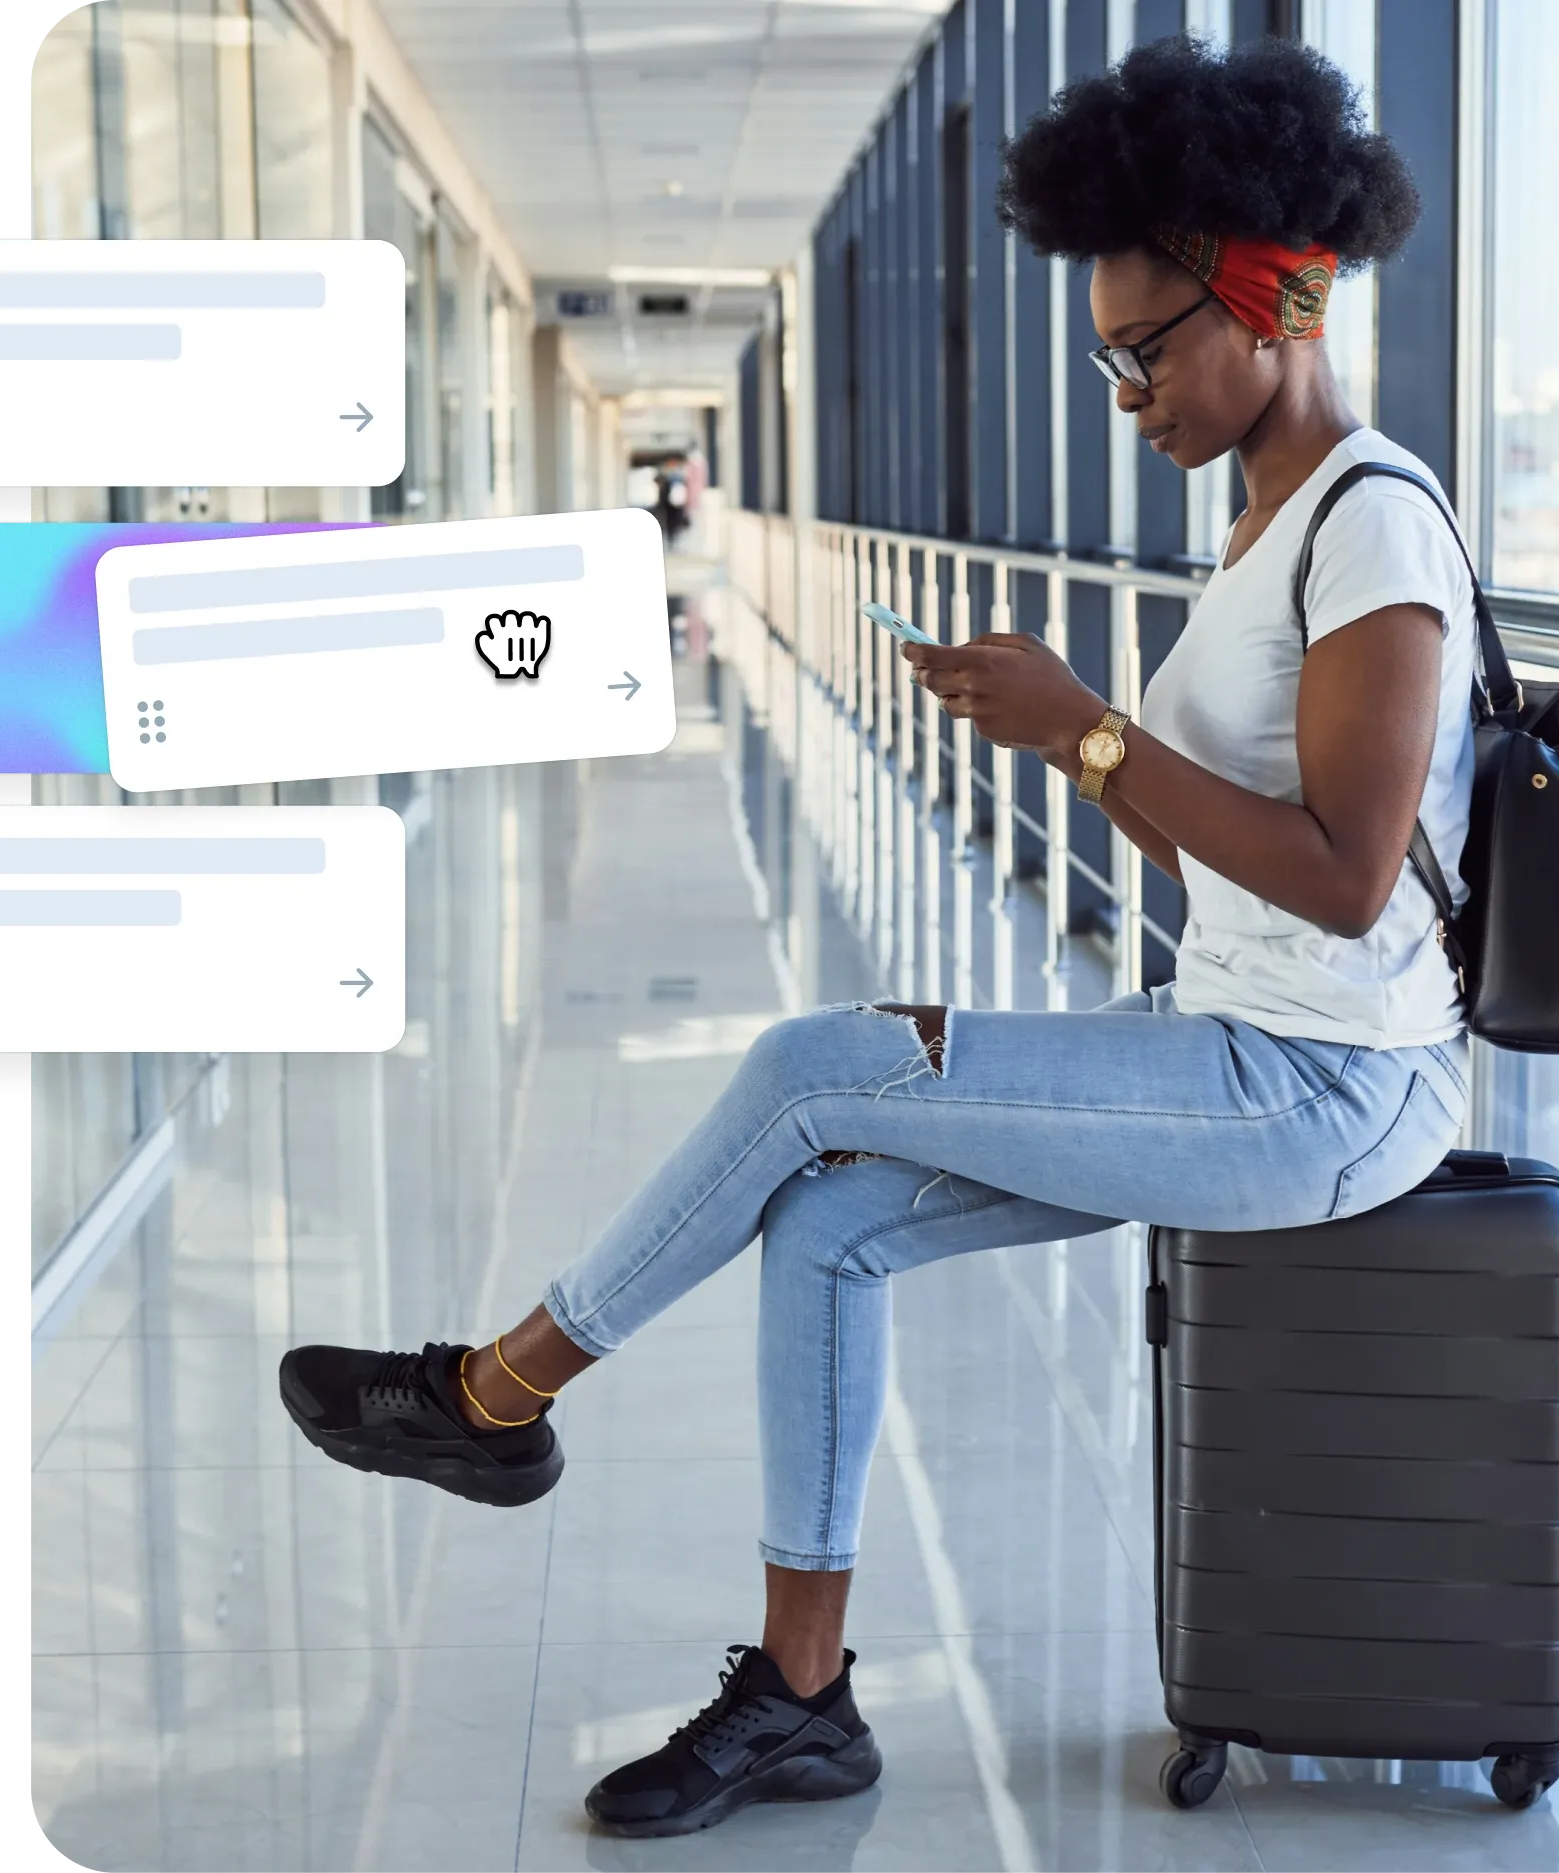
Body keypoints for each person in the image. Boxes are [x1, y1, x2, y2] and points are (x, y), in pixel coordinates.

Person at [278, 32, 1478, 1841]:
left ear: (1271, 302)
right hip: (1231, 1041)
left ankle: (492, 1394)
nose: (1121, 389)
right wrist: (1059, 736)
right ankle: (803, 1701)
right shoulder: (1263, 533)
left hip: (1328, 1085)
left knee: (810, 1062)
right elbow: (1225, 862)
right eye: (1106, 354)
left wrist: (1084, 728)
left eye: (1141, 350)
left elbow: (1350, 880)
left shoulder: (1370, 524)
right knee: (829, 1222)